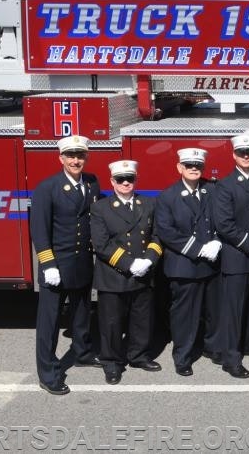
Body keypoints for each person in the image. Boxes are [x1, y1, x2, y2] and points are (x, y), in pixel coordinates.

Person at [30, 135, 102, 396]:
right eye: (70, 156)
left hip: (82, 261)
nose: (75, 160)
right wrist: (48, 264)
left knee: (82, 312)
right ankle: (48, 372)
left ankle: (82, 352)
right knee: (49, 321)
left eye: (80, 156)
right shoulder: (47, 188)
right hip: (56, 265)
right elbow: (39, 230)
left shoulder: (92, 183)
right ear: (60, 158)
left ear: (86, 158)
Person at [90, 159, 163, 384]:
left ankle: (138, 355)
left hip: (143, 273)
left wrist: (149, 260)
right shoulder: (100, 207)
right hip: (114, 274)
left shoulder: (148, 204)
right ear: (112, 181)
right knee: (111, 323)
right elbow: (101, 244)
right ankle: (111, 362)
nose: (125, 183)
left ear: (135, 180)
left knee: (141, 319)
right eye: (120, 179)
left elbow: (157, 236)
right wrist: (129, 264)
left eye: (129, 179)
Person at [155, 147, 222, 377]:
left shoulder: (211, 190)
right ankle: (182, 356)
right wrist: (199, 248)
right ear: (179, 168)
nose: (194, 169)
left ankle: (212, 348)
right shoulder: (168, 196)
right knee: (185, 315)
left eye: (198, 166)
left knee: (214, 311)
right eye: (189, 166)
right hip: (184, 265)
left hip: (212, 263)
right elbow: (166, 231)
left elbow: (222, 218)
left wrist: (216, 241)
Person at [213, 133, 249, 379]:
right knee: (234, 311)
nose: (246, 156)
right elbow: (224, 224)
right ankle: (231, 357)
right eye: (241, 152)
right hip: (237, 256)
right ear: (234, 155)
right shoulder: (225, 185)